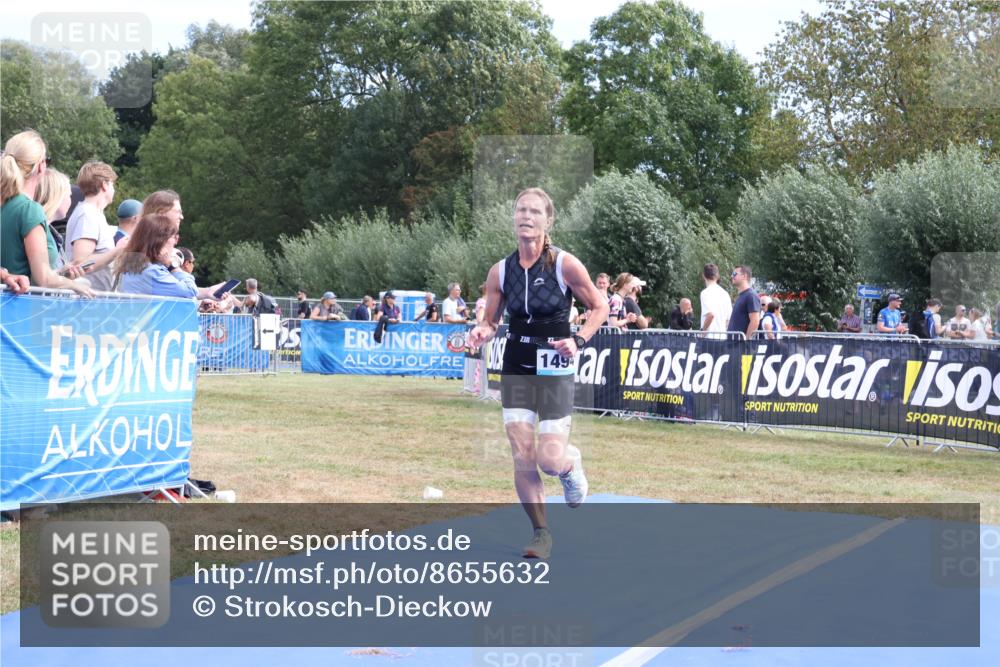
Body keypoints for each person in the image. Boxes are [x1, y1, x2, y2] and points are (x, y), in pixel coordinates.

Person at [467, 187, 609, 560]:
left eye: (534, 211)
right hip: (516, 364)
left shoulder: (564, 265)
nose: (526, 216)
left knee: (548, 459)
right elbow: (492, 321)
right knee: (521, 454)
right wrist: (483, 330)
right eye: (520, 210)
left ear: (548, 221)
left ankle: (569, 464)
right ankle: (541, 533)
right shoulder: (500, 271)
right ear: (513, 218)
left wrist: (578, 340)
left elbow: (600, 306)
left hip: (555, 366)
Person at [0, 130, 91, 296]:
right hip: (22, 309)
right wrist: (76, 286)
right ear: (41, 166)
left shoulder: (6, 205)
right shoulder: (30, 210)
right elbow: (44, 279)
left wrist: (60, 274)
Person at [115, 214, 226, 299]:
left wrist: (208, 291)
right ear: (159, 241)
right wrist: (172, 265)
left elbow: (175, 289)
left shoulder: (134, 266)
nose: (175, 243)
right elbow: (190, 290)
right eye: (173, 237)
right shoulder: (152, 272)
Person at [65, 160, 120, 292]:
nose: (114, 189)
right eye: (112, 184)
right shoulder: (88, 215)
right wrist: (117, 250)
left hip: (93, 299)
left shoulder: (92, 213)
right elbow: (80, 262)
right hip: (88, 301)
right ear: (104, 185)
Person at [728, 266, 761, 339]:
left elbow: (755, 321)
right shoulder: (741, 296)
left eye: (734, 274)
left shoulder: (751, 295)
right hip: (733, 345)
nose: (731, 276)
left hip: (741, 346)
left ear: (744, 276)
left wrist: (746, 341)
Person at [700, 263, 732, 337]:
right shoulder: (725, 294)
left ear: (703, 275)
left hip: (709, 338)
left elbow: (710, 315)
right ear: (717, 276)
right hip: (722, 337)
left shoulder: (705, 293)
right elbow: (729, 319)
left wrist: (702, 332)